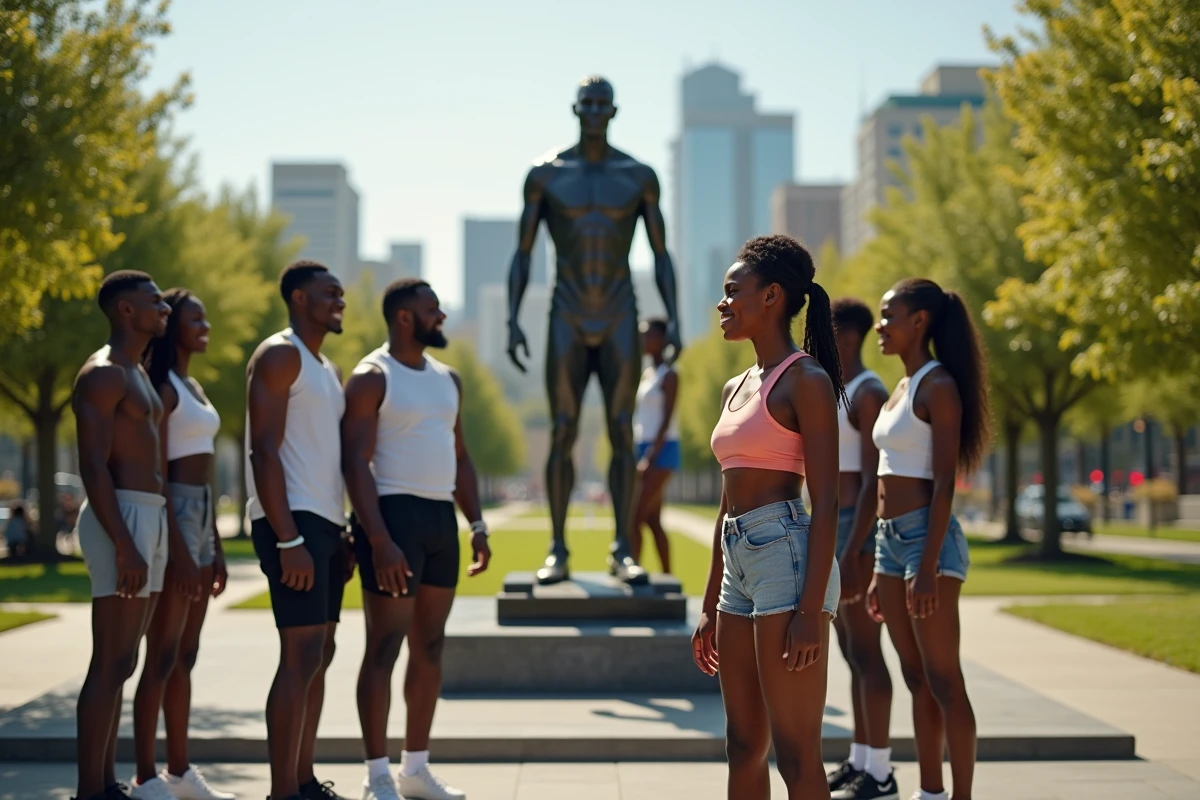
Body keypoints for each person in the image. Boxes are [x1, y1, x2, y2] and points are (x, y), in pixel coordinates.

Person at [505, 75, 683, 585]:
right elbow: (522, 254)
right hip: (566, 309)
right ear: (574, 108)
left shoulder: (639, 176)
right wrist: (511, 318)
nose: (594, 110)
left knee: (621, 432)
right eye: (587, 102)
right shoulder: (545, 175)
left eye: (603, 103)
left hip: (618, 310)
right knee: (562, 429)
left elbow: (661, 253)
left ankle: (623, 547)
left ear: (615, 110)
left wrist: (674, 318)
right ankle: (557, 547)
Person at [692, 235, 844, 800]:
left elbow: (826, 501)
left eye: (734, 292)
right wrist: (710, 602)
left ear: (773, 296)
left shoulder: (807, 381)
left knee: (797, 753)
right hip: (739, 562)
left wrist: (811, 610)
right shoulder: (736, 386)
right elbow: (726, 504)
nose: (723, 303)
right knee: (742, 745)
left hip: (787, 556)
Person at [342, 278, 492, 800]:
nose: (441, 316)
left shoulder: (448, 378)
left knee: (429, 645)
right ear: (405, 317)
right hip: (392, 517)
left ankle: (414, 768)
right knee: (383, 646)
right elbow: (354, 464)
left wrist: (475, 523)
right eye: (432, 310)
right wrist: (378, 540)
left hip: (438, 523)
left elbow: (461, 457)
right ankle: (376, 774)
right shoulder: (370, 376)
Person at [865, 278, 989, 800]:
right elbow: (883, 476)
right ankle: (930, 793)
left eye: (889, 315)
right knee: (915, 675)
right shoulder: (901, 386)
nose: (880, 325)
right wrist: (878, 563)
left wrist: (927, 562)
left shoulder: (938, 386)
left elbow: (944, 486)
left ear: (920, 321)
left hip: (927, 544)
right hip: (891, 543)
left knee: (944, 680)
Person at [246, 261, 353, 800]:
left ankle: (304, 782)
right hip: (293, 521)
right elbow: (263, 448)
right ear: (297, 298)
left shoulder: (325, 369)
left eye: (340, 293)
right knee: (301, 655)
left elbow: (325, 453)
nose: (340, 300)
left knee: (321, 653)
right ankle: (281, 793)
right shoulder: (280, 354)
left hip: (325, 522)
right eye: (328, 293)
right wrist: (288, 538)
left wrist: (345, 527)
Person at [130, 289, 233, 800]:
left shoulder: (191, 384)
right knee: (163, 653)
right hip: (174, 513)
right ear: (173, 328)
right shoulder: (162, 387)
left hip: (201, 513)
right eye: (196, 319)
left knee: (186, 654)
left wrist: (211, 543)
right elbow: (158, 472)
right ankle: (145, 775)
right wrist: (183, 549)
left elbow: (203, 470)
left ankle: (179, 771)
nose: (205, 325)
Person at [71, 270, 171, 800]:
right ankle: (90, 792)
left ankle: (107, 785)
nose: (165, 308)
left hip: (148, 514)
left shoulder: (137, 372)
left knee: (126, 661)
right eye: (154, 301)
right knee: (108, 660)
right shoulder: (104, 374)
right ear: (125, 311)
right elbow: (92, 465)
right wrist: (126, 542)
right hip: (121, 518)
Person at [827, 299, 897, 800]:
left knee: (868, 652)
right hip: (833, 525)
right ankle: (859, 760)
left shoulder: (867, 391)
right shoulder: (836, 387)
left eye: (828, 333)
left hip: (857, 528)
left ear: (847, 336)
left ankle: (882, 772)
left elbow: (875, 478)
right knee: (850, 651)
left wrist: (854, 549)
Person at [631, 317, 680, 574]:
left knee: (633, 518)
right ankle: (668, 577)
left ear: (662, 340)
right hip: (644, 447)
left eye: (647, 335)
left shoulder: (669, 375)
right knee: (652, 520)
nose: (642, 340)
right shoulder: (647, 374)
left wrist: (650, 456)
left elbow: (666, 420)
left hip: (662, 451)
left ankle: (632, 571)